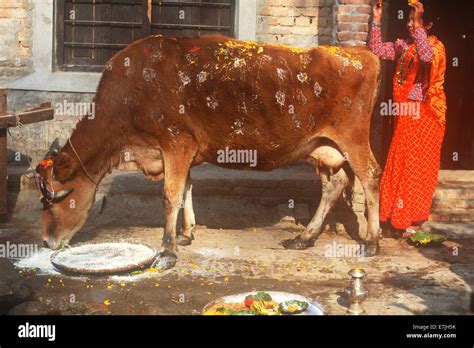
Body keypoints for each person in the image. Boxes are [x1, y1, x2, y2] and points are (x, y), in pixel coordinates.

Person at [369, 0, 447, 233]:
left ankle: (411, 218)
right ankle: (392, 216)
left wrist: (419, 21)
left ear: (428, 24)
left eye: (416, 20)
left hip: (426, 114)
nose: (410, 24)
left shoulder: (437, 47)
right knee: (400, 161)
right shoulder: (404, 46)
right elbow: (377, 50)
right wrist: (376, 20)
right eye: (409, 20)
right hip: (406, 114)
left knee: (417, 165)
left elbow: (425, 57)